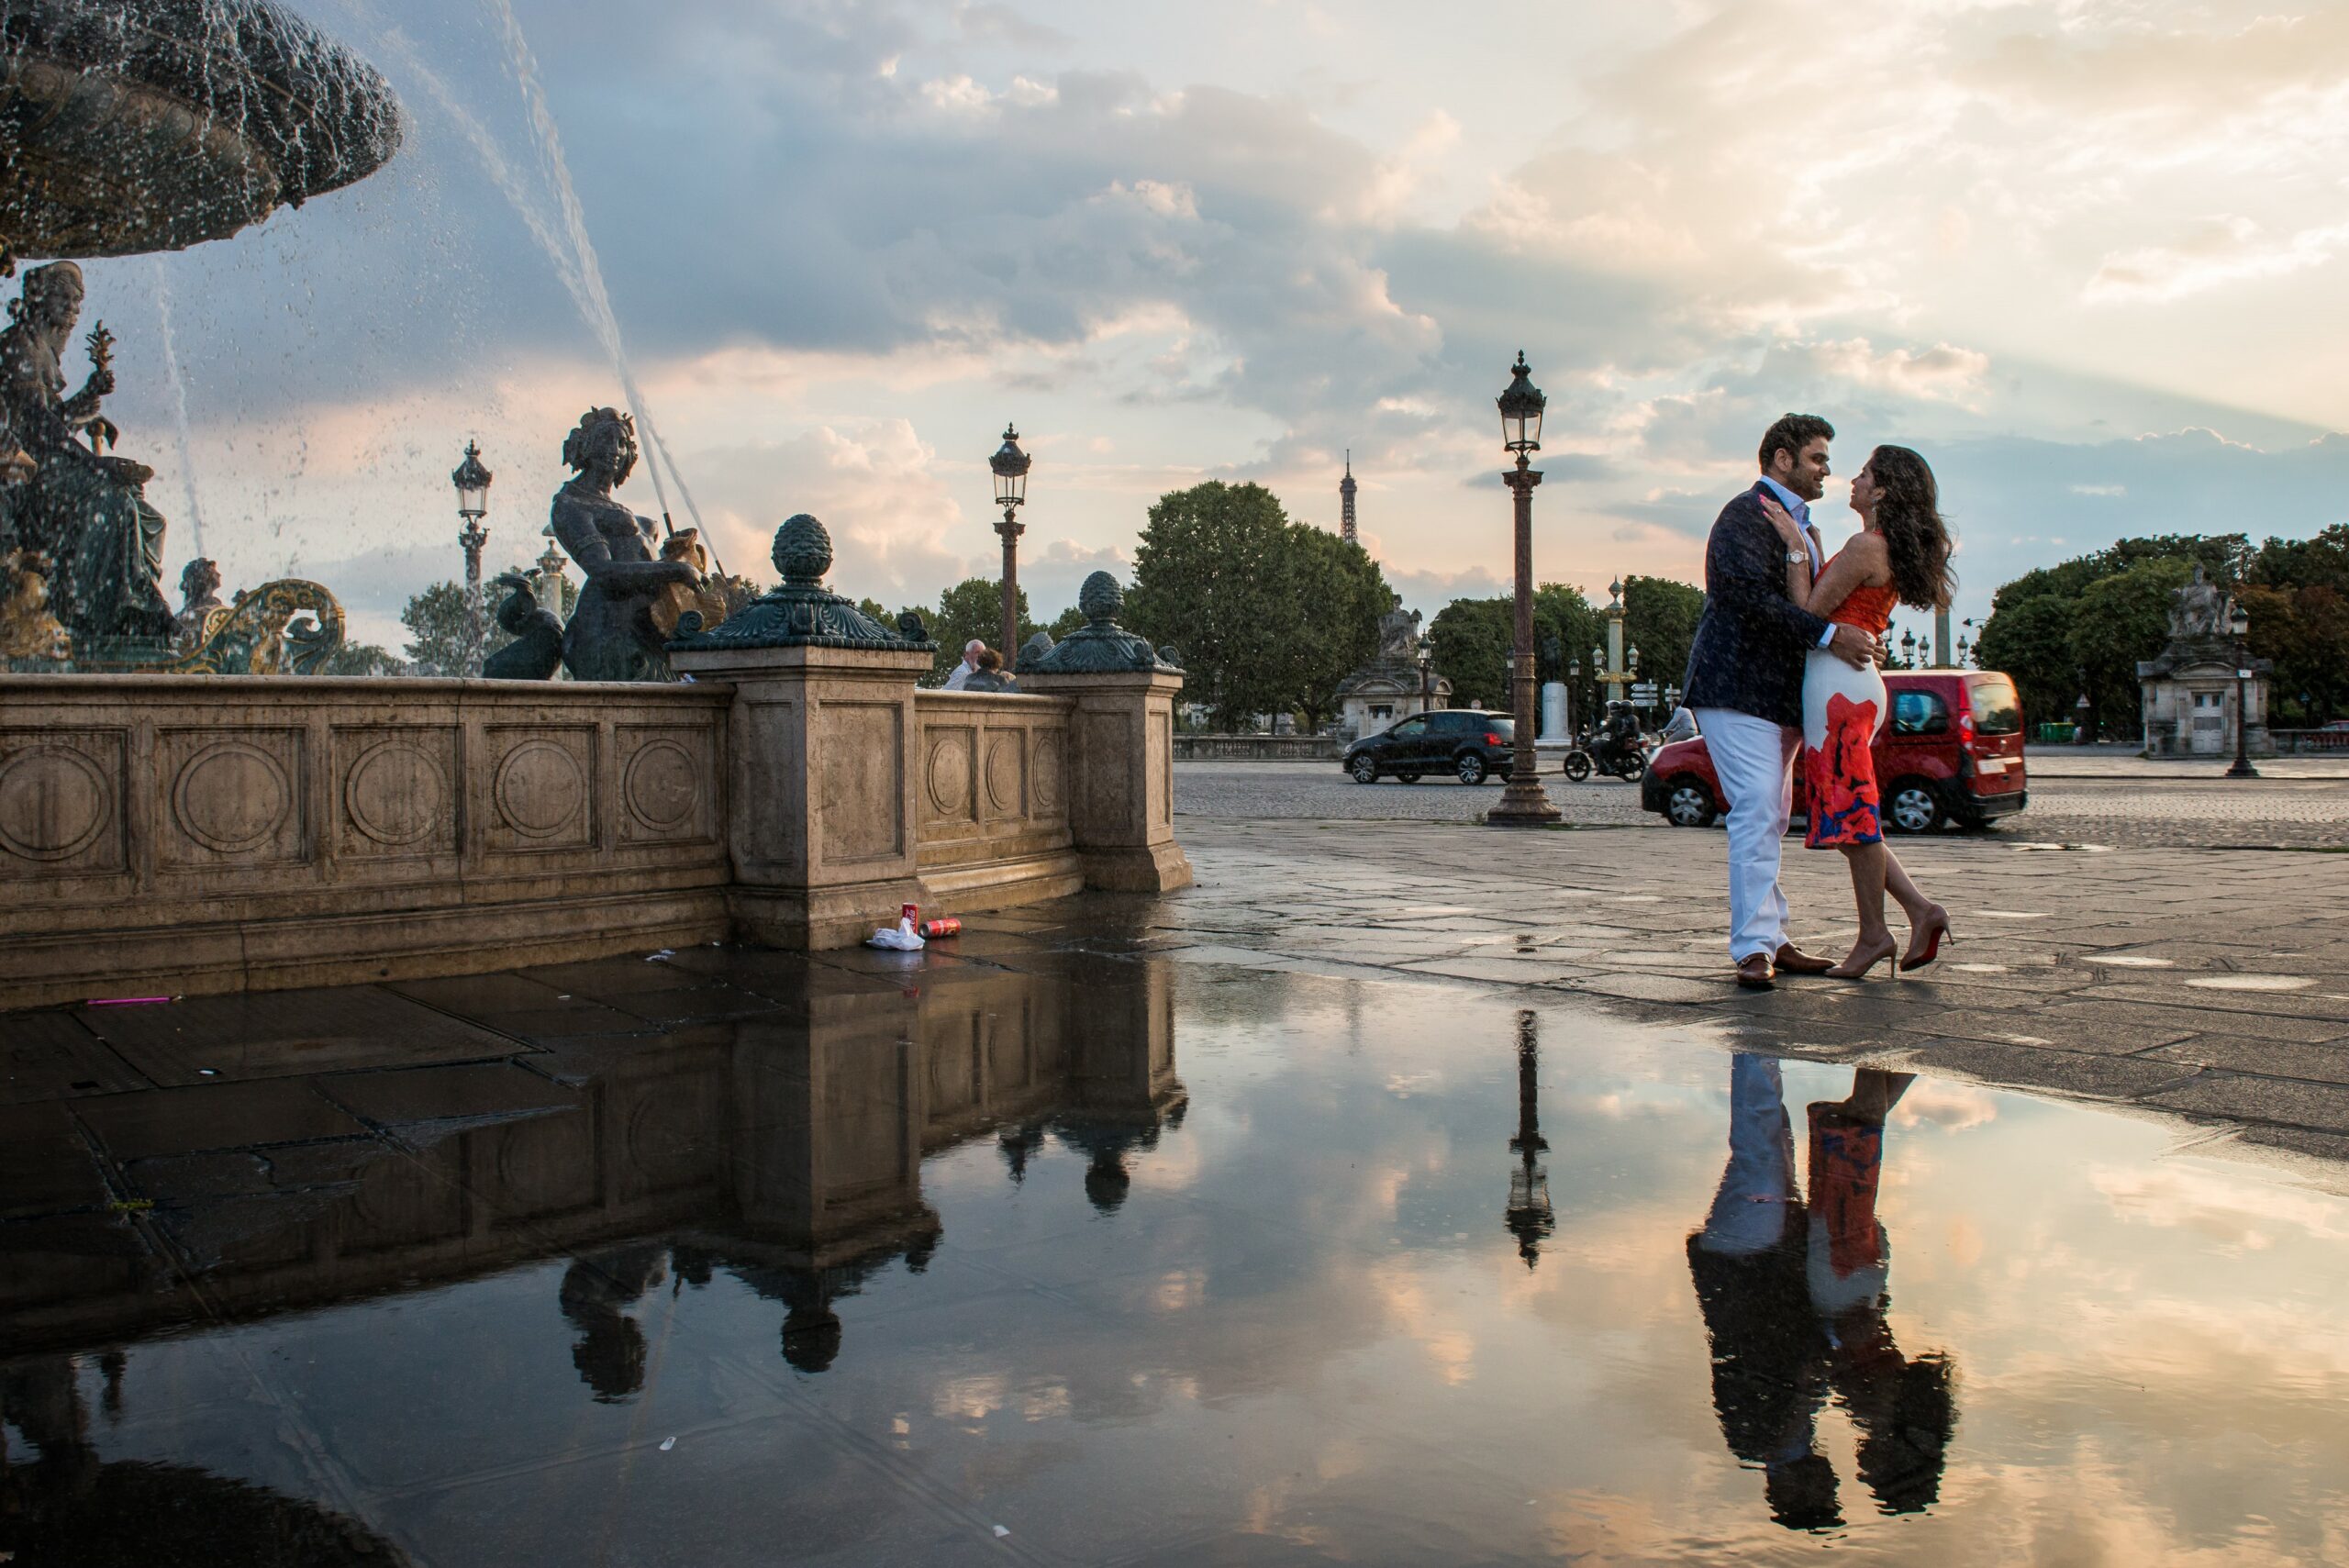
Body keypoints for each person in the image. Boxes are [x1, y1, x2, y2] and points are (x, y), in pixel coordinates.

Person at [1681, 415, 1883, 990]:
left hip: (1779, 694)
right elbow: (1744, 599)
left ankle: (1771, 937)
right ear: (1782, 459)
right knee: (1757, 812)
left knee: (1770, 814)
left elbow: (1815, 603)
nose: (1827, 469)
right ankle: (1751, 948)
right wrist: (1827, 638)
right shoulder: (1745, 515)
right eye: (1818, 458)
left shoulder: (1799, 526)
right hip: (1736, 686)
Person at [1760, 445, 1957, 976]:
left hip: (1836, 688)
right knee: (1851, 815)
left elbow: (1807, 613)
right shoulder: (1882, 547)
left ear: (1883, 490)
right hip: (1854, 684)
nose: (1855, 478)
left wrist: (1795, 549)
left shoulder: (1866, 545)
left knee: (1853, 815)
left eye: (1865, 474)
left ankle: (1875, 934)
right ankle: (1919, 911)